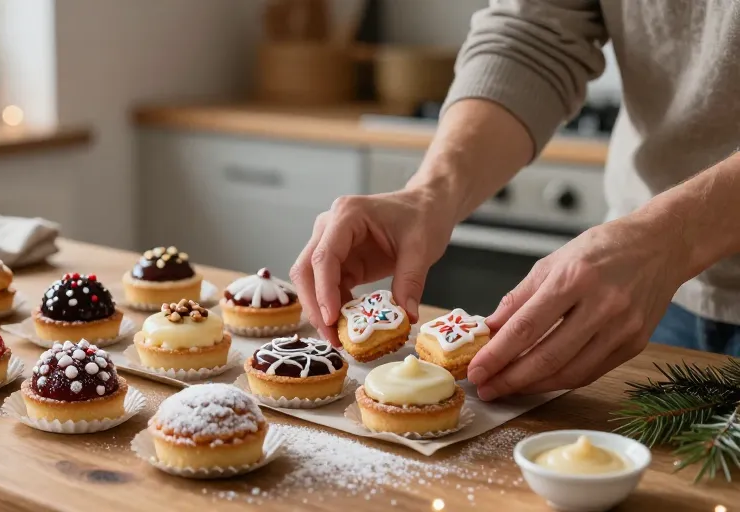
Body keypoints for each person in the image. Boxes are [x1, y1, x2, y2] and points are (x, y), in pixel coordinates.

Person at [290, 1, 740, 401]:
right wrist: (431, 191)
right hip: (632, 307)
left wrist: (674, 236)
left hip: (647, 264)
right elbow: (535, 35)